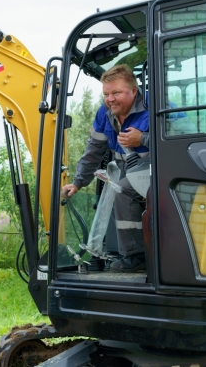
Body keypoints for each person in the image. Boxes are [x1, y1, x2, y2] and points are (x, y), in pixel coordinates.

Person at [62, 64, 148, 273]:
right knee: (114, 190)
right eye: (106, 94)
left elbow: (181, 141)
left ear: (133, 91)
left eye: (116, 92)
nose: (110, 99)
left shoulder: (155, 105)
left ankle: (136, 257)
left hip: (159, 167)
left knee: (123, 191)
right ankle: (121, 251)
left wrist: (143, 138)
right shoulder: (106, 113)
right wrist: (78, 182)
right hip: (127, 168)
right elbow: (94, 149)